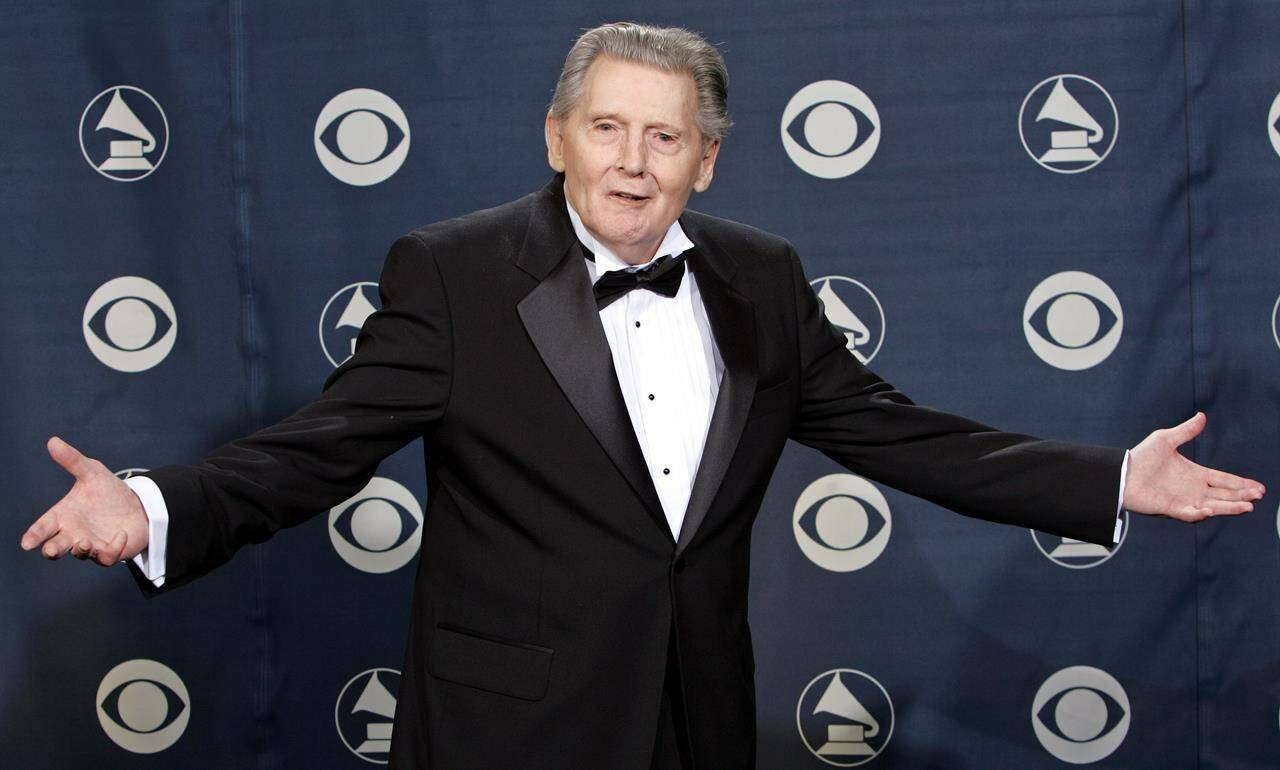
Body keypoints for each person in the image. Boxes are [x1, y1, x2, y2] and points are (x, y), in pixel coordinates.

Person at [20, 22, 1265, 770]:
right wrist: (154, 502)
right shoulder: (451, 272)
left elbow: (897, 433)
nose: (631, 160)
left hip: (693, 714)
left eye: (663, 136)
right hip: (511, 729)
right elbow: (318, 448)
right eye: (606, 128)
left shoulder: (761, 277)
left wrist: (1108, 478)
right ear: (557, 135)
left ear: (705, 155)